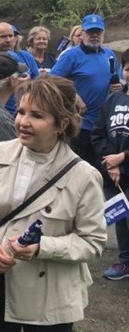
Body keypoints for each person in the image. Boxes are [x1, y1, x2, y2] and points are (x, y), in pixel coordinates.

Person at [0, 75, 107, 331]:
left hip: (47, 300)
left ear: (61, 124)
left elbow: (93, 242)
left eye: (37, 116)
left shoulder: (84, 176)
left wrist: (42, 247)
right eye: (20, 112)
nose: (23, 122)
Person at [50, 14, 121, 175]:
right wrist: (73, 96)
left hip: (104, 126)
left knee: (100, 171)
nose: (94, 35)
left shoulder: (109, 55)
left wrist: (118, 86)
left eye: (98, 32)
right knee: (75, 170)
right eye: (90, 32)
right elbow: (50, 80)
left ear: (103, 34)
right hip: (79, 125)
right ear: (82, 34)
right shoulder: (71, 55)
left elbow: (119, 79)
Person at [95, 49, 129, 281]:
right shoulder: (113, 100)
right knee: (120, 215)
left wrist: (124, 157)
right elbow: (98, 134)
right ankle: (125, 261)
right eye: (127, 68)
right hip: (114, 173)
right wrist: (111, 161)